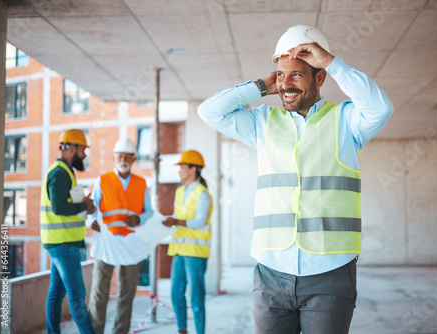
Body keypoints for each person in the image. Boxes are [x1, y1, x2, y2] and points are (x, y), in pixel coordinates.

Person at [198, 25, 394, 334]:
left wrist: (330, 60)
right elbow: (210, 112)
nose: (286, 84)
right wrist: (263, 85)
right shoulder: (263, 122)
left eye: (297, 75)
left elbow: (381, 108)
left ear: (319, 77)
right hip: (270, 273)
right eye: (280, 74)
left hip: (330, 273)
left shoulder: (346, 121)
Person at [87, 139, 153, 334]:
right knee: (99, 293)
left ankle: (120, 332)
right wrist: (90, 221)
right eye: (119, 156)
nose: (122, 159)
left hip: (131, 244)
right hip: (106, 244)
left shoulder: (141, 184)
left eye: (126, 156)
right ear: (114, 157)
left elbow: (149, 212)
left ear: (133, 159)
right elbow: (92, 208)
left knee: (126, 294)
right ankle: (95, 331)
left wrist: (139, 218)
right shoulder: (102, 180)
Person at [40, 129, 96, 334]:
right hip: (63, 244)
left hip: (62, 242)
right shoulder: (59, 173)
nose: (84, 155)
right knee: (77, 296)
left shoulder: (65, 172)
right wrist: (84, 205)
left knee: (56, 293)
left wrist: (85, 203)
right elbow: (60, 208)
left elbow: (72, 201)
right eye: (82, 150)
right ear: (71, 148)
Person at [162, 150, 213, 334]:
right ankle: (182, 330)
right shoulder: (179, 192)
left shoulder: (202, 194)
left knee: (196, 298)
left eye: (182, 167)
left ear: (194, 169)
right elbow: (178, 217)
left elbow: (200, 221)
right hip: (179, 250)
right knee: (176, 294)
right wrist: (168, 222)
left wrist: (176, 221)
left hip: (195, 253)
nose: (179, 171)